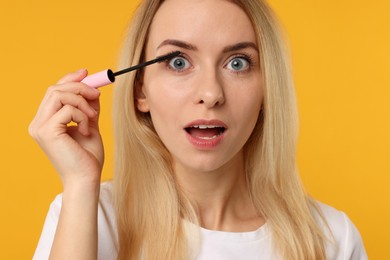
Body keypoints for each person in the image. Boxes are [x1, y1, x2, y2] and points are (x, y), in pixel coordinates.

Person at [30, 0, 368, 259]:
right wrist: (80, 184)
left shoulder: (332, 239)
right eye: (178, 62)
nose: (211, 93)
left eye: (238, 63)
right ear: (140, 90)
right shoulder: (86, 214)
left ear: (267, 90)